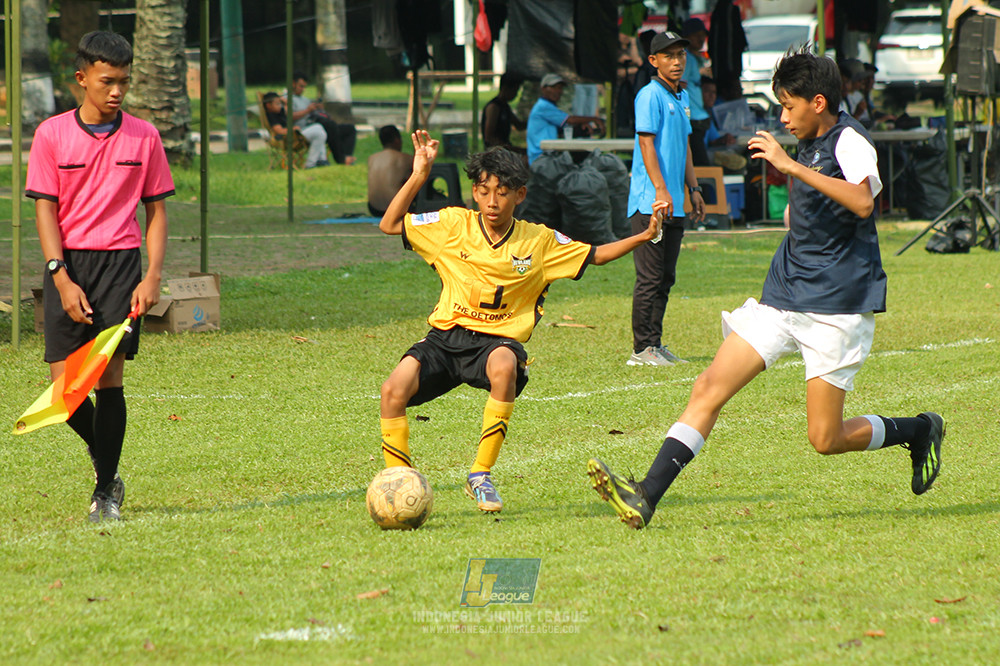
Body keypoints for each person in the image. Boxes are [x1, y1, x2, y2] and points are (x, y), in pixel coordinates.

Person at [588, 48, 945, 529]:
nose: (783, 118)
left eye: (789, 107)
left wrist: (791, 168)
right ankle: (646, 495)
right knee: (709, 386)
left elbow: (863, 201)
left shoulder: (850, 140)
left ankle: (919, 430)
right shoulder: (809, 141)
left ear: (819, 102)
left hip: (835, 306)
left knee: (825, 438)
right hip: (784, 294)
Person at [377, 131, 664, 513]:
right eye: (484, 191)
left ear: (520, 195)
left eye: (502, 192)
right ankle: (399, 481)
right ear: (474, 192)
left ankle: (480, 474)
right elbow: (390, 224)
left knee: (504, 365)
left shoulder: (538, 241)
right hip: (446, 336)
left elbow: (595, 255)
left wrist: (645, 236)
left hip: (496, 341)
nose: (492, 202)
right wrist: (419, 174)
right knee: (392, 390)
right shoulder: (452, 224)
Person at [25, 31, 175, 522]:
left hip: (121, 267)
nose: (117, 91)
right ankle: (104, 453)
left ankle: (105, 491)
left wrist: (152, 276)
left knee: (109, 379)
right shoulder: (51, 135)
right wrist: (59, 276)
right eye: (107, 81)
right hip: (69, 265)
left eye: (124, 82)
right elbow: (45, 210)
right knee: (65, 391)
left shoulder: (145, 136)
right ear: (81, 78)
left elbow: (157, 212)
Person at [627, 31, 706, 367]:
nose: (676, 62)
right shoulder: (649, 95)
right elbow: (646, 143)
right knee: (649, 277)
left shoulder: (681, 96)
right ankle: (641, 349)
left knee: (665, 277)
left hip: (675, 201)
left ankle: (655, 345)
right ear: (653, 61)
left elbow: (684, 147)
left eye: (681, 55)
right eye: (669, 56)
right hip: (651, 202)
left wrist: (694, 189)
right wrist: (660, 189)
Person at [526, 73, 605, 164]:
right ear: (543, 89)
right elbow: (570, 120)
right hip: (541, 158)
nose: (558, 91)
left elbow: (566, 126)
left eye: (560, 88)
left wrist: (582, 125)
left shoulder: (549, 107)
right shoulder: (543, 106)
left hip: (549, 156)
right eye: (554, 87)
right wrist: (595, 119)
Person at [288, 71, 357, 165]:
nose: (303, 89)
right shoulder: (286, 99)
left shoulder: (305, 99)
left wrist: (319, 109)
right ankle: (341, 159)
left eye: (304, 87)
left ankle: (347, 157)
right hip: (303, 130)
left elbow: (313, 112)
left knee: (349, 129)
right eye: (301, 86)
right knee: (330, 126)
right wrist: (308, 110)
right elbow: (289, 117)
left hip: (319, 126)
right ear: (293, 83)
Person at [262, 91, 327, 169]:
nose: (280, 106)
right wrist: (292, 129)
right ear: (268, 105)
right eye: (277, 104)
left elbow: (287, 110)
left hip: (294, 135)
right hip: (290, 138)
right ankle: (313, 163)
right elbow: (279, 131)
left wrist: (285, 102)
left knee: (319, 131)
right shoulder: (272, 116)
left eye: (280, 103)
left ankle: (320, 160)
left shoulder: (280, 112)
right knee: (318, 130)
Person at [681, 18, 712, 167]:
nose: (701, 39)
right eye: (696, 35)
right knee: (700, 165)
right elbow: (681, 85)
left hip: (699, 118)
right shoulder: (685, 57)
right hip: (692, 120)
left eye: (703, 35)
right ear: (686, 37)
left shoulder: (696, 58)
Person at [701, 77, 747, 172]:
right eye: (707, 92)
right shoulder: (694, 116)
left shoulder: (706, 115)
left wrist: (724, 139)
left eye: (714, 92)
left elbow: (713, 140)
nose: (711, 96)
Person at [367, 125, 413, 217]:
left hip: (374, 208)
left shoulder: (371, 158)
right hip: (396, 209)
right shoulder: (406, 158)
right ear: (397, 140)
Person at [482, 73, 526, 152]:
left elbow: (518, 125)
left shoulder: (505, 106)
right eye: (515, 91)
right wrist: (510, 149)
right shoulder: (494, 107)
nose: (515, 95)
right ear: (505, 88)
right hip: (495, 152)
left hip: (505, 148)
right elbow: (489, 138)